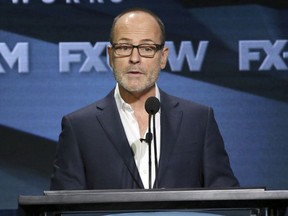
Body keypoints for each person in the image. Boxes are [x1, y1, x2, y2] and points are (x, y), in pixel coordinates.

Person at [50, 8, 239, 190]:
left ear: (163, 57)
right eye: (124, 47)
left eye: (147, 48)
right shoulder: (79, 127)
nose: (134, 58)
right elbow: (62, 207)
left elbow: (225, 197)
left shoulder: (198, 120)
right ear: (110, 56)